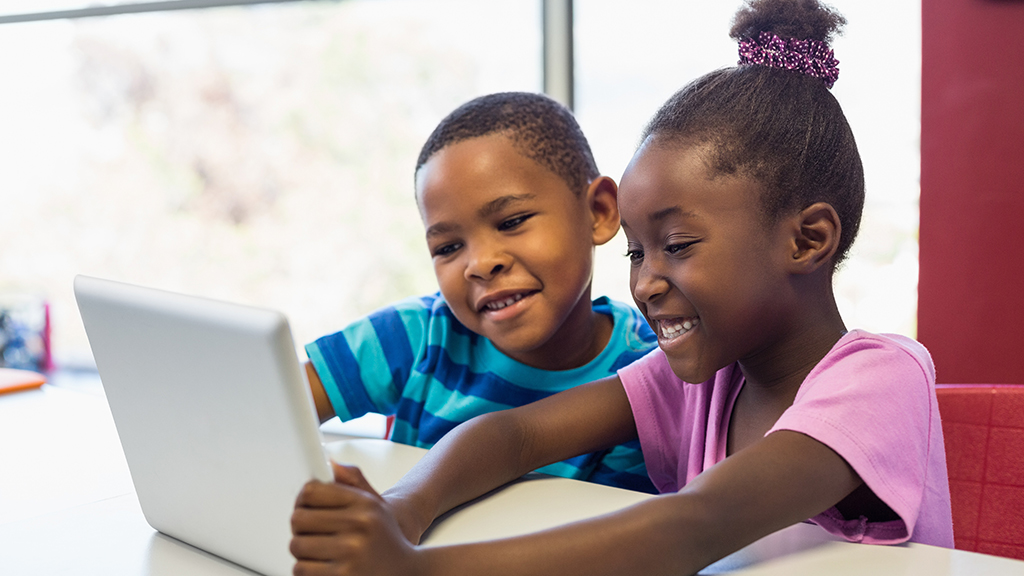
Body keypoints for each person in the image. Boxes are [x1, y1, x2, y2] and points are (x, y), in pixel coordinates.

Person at [289, 1, 954, 574]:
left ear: (808, 240)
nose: (645, 281)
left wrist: (413, 569)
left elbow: (694, 526)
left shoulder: (880, 380)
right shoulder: (700, 381)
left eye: (678, 246)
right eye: (637, 251)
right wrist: (403, 508)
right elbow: (510, 437)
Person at [303, 91, 659, 493]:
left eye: (512, 221)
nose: (480, 264)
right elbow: (268, 410)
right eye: (448, 248)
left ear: (598, 212)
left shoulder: (649, 376)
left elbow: (603, 537)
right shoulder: (416, 334)